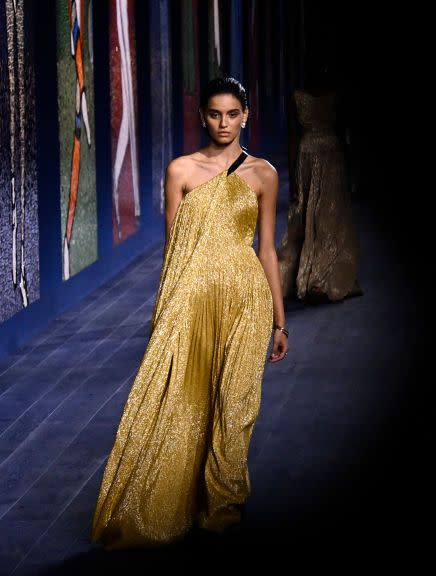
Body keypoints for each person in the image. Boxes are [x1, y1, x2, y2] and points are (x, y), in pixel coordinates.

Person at [91, 77, 288, 549]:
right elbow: (174, 251)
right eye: (215, 114)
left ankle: (223, 510)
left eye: (232, 114)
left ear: (246, 115)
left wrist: (280, 321)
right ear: (202, 116)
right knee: (186, 399)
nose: (224, 123)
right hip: (192, 301)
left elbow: (267, 249)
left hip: (246, 300)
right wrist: (165, 313)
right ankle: (172, 503)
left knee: (236, 405)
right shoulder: (181, 170)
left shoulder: (264, 174)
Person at [276, 59, 362, 302]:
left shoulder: (298, 97)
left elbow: (294, 138)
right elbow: (343, 131)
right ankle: (318, 278)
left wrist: (294, 177)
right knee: (323, 217)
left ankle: (315, 278)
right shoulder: (331, 96)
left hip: (310, 156)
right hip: (328, 156)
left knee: (315, 216)